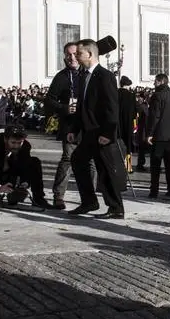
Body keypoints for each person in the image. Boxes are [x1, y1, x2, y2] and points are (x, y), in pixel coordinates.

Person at [67, 39, 125, 219]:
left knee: (106, 169)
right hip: (89, 132)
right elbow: (82, 106)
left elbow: (111, 107)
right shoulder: (84, 76)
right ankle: (89, 202)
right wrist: (74, 129)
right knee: (77, 160)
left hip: (102, 133)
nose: (76, 57)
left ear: (90, 54)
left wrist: (108, 133)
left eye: (79, 54)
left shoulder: (105, 75)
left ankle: (116, 208)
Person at [45, 42, 96, 209]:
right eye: (68, 54)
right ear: (64, 57)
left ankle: (90, 196)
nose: (72, 58)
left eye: (75, 54)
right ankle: (58, 195)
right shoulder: (61, 77)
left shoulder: (88, 74)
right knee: (68, 159)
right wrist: (64, 108)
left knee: (91, 162)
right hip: (70, 124)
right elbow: (49, 101)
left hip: (87, 125)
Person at [146, 73, 170, 198]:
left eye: (155, 81)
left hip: (159, 136)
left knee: (155, 165)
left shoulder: (157, 96)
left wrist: (149, 133)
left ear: (161, 82)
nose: (153, 83)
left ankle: (154, 190)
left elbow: (155, 116)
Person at [117, 75, 137, 173]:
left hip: (117, 125)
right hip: (128, 124)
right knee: (128, 145)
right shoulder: (131, 95)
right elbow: (135, 112)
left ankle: (118, 165)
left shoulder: (115, 94)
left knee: (116, 143)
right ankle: (128, 167)